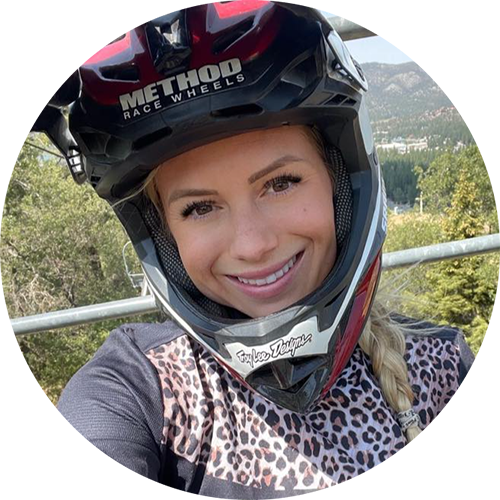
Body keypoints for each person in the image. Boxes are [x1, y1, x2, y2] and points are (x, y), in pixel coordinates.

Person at [39, 1, 473, 499]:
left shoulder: (442, 369)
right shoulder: (137, 392)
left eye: (281, 183)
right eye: (199, 208)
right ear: (164, 234)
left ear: (341, 183)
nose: (253, 246)